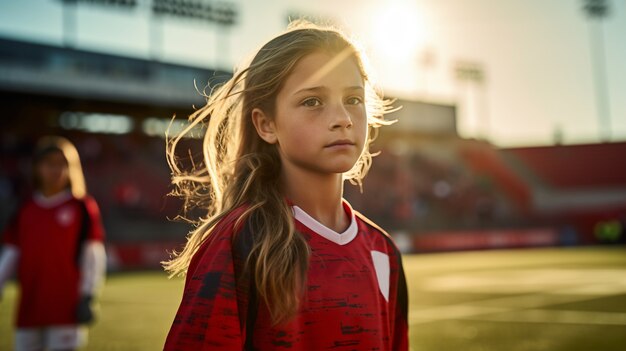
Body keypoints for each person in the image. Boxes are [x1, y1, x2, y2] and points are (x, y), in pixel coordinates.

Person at [163, 20, 408, 350]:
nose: (343, 118)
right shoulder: (242, 242)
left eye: (353, 99)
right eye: (312, 101)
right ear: (266, 124)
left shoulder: (383, 251)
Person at [0, 136, 106, 351]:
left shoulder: (82, 207)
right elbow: (11, 253)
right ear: (37, 168)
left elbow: (93, 255)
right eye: (49, 163)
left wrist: (88, 295)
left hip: (66, 308)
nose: (56, 170)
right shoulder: (24, 209)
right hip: (29, 307)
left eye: (62, 164)